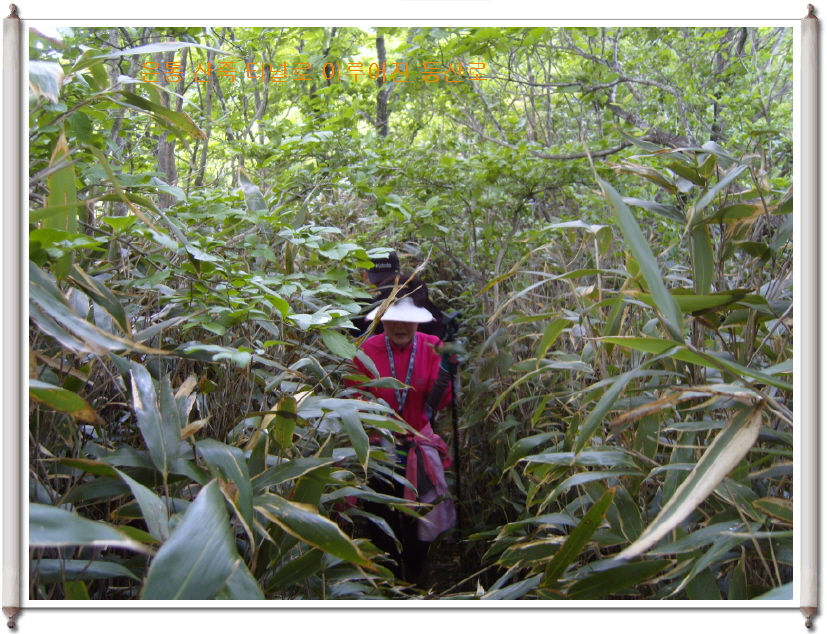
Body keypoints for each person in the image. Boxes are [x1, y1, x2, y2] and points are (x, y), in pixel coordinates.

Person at [345, 281, 456, 585]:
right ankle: (389, 582)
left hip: (419, 448)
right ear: (383, 319)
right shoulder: (366, 349)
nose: (400, 325)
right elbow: (354, 393)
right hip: (380, 449)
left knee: (418, 522)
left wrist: (447, 373)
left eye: (408, 319)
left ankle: (417, 578)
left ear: (417, 320)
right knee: (383, 520)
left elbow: (439, 403)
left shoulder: (433, 347)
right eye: (393, 318)